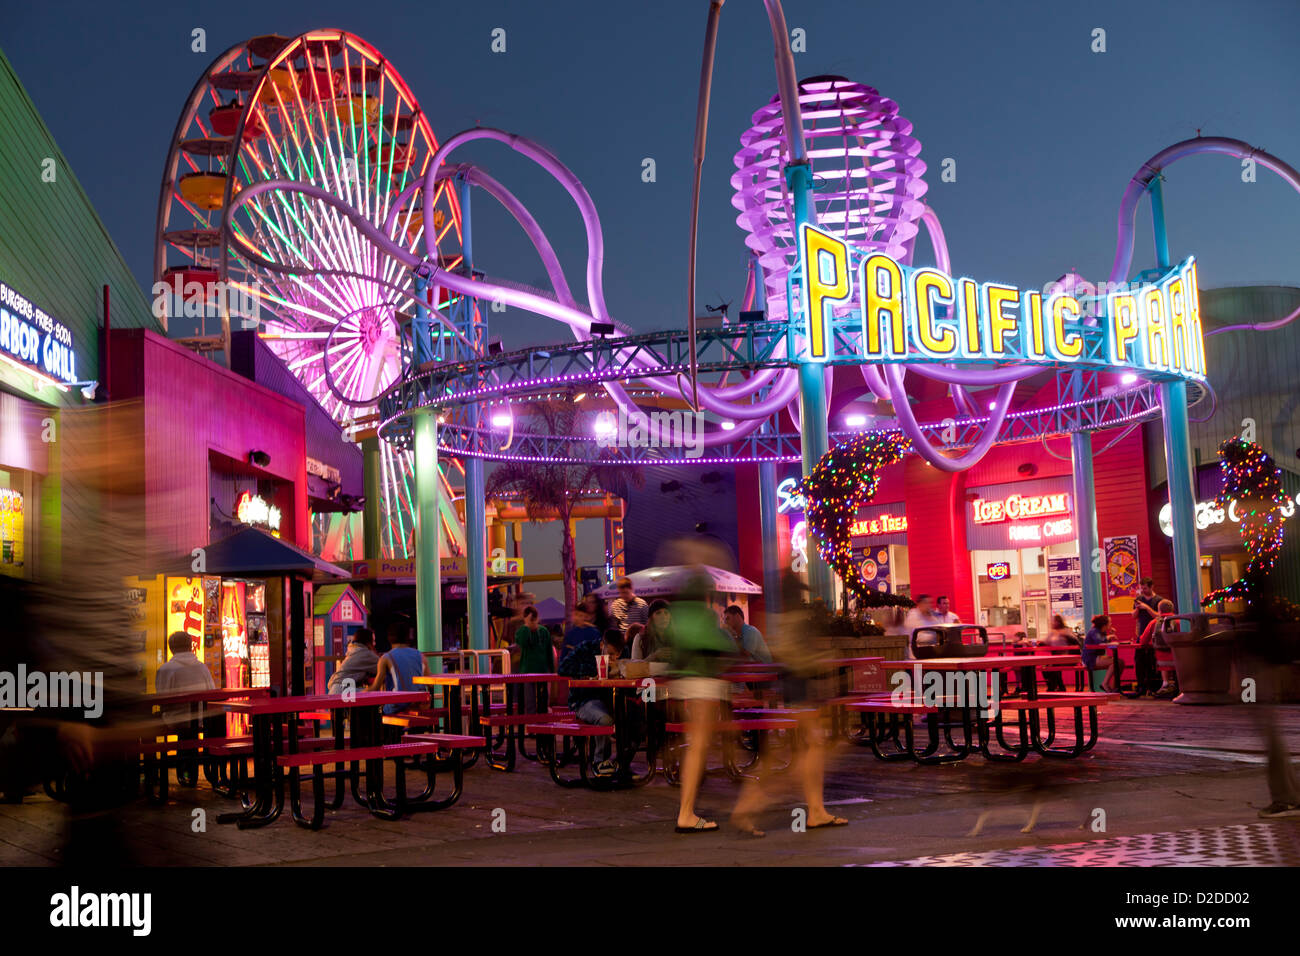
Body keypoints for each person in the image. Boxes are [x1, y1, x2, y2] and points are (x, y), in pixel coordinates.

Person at [731, 571, 848, 836]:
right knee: (810, 751)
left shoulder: (781, 620)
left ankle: (816, 810)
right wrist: (827, 664)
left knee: (810, 749)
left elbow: (785, 654)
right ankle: (751, 804)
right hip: (802, 688)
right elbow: (800, 657)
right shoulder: (797, 621)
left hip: (794, 688)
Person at [671, 571, 741, 832]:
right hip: (702, 683)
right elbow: (715, 644)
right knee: (698, 748)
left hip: (684, 684)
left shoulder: (680, 614)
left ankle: (686, 811)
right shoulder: (703, 615)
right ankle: (686, 813)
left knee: (694, 746)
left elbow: (678, 651)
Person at [556, 628, 625, 775]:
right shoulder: (585, 648)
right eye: (610, 654)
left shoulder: (623, 653)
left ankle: (624, 763)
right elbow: (563, 668)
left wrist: (621, 669)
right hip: (583, 700)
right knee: (605, 720)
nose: (614, 657)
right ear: (602, 645)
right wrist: (598, 668)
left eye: (617, 654)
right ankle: (600, 762)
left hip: (611, 700)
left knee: (633, 719)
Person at [155, 631, 216, 786]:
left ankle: (157, 771)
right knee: (191, 732)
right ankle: (190, 772)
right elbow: (212, 693)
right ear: (191, 646)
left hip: (177, 720)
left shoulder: (166, 669)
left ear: (171, 649)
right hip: (201, 719)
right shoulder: (202, 668)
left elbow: (162, 700)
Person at [369, 620, 429, 715]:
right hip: (420, 704)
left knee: (378, 711)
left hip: (398, 704)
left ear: (389, 638)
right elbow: (430, 684)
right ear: (408, 637)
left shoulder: (386, 657)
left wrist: (359, 693)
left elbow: (376, 687)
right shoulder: (421, 656)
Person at [512, 606, 555, 714]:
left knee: (543, 701)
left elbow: (549, 651)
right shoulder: (522, 631)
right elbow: (523, 642)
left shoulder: (544, 631)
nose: (533, 622)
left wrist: (552, 671)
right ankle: (532, 726)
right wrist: (527, 626)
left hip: (542, 671)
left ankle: (541, 725)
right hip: (527, 671)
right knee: (529, 701)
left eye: (534, 619)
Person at [1137, 600, 1178, 698]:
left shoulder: (1154, 622)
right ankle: (1178, 685)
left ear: (1159, 610)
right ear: (1172, 609)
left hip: (1162, 662)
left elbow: (1143, 641)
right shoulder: (1179, 621)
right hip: (1178, 660)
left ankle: (1165, 683)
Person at [327, 627, 379, 695]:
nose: (374, 644)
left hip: (335, 689)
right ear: (367, 641)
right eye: (373, 641)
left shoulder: (354, 651)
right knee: (374, 694)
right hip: (343, 691)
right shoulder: (365, 653)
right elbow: (384, 665)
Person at [1042, 614, 1076, 692]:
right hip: (1056, 657)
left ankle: (1054, 687)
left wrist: (1065, 636)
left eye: (1053, 621)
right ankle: (1058, 686)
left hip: (1067, 656)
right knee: (1045, 667)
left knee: (1052, 666)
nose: (1051, 623)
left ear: (1058, 622)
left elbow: (1075, 641)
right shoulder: (1052, 633)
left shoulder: (1066, 631)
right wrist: (1041, 643)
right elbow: (1046, 642)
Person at [1082, 614, 1111, 692]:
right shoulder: (1094, 631)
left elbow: (1103, 643)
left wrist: (1108, 636)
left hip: (1096, 657)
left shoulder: (1101, 631)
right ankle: (1105, 684)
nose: (1110, 624)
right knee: (1116, 662)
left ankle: (1112, 687)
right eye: (1109, 622)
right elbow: (1099, 642)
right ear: (1104, 624)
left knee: (1120, 662)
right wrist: (1108, 637)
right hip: (1090, 660)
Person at [1131, 578, 1165, 642]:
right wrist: (1137, 608)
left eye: (1145, 588)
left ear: (1151, 587)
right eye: (1142, 588)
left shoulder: (1159, 600)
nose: (1143, 590)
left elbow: (1160, 617)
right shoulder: (1139, 598)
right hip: (1141, 633)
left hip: (1155, 633)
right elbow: (1133, 616)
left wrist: (1147, 607)